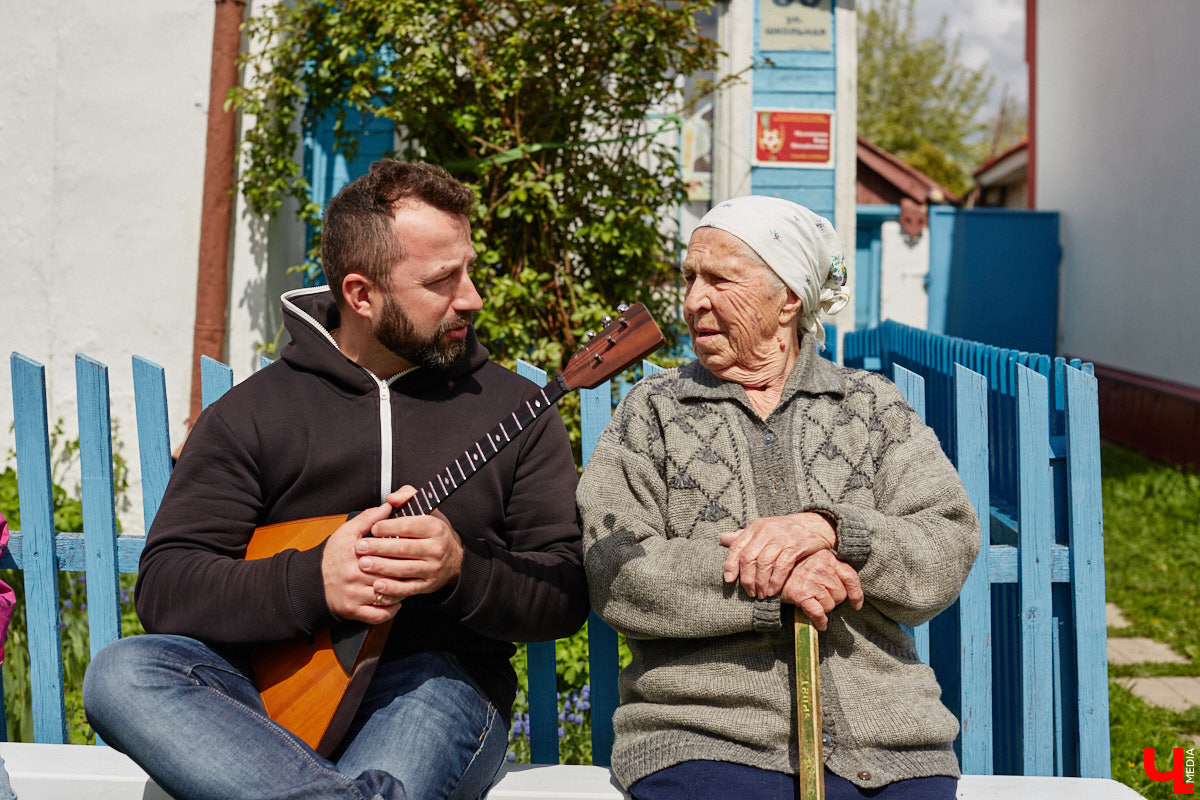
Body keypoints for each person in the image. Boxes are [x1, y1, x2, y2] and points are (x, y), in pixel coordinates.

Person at [83, 161, 588, 800]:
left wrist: (462, 569)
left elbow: (564, 589)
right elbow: (168, 587)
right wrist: (312, 582)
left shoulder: (515, 410)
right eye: (441, 280)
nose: (472, 298)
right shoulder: (253, 414)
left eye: (467, 269)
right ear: (360, 295)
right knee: (122, 673)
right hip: (263, 693)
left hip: (432, 685)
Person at [577, 197, 980, 800]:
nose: (693, 302)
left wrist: (834, 530)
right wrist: (769, 579)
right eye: (690, 279)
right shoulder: (654, 412)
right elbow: (615, 567)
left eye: (719, 280)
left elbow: (946, 539)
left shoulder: (868, 407)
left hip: (887, 742)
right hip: (703, 736)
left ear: (788, 297)